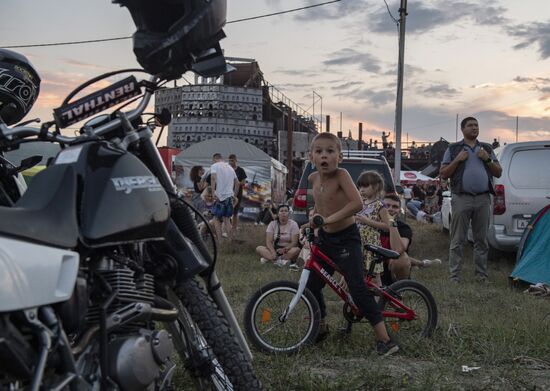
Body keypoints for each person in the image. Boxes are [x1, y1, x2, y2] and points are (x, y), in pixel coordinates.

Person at [305, 132, 398, 356]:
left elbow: (356, 204)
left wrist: (328, 219)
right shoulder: (313, 179)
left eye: (330, 151)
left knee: (357, 289)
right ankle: (321, 326)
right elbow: (320, 204)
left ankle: (385, 341)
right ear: (311, 157)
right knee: (312, 284)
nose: (324, 156)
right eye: (319, 151)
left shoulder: (342, 175)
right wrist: (314, 217)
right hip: (325, 239)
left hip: (347, 239)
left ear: (340, 156)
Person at [440, 116, 502, 283]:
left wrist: (486, 159)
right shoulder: (453, 149)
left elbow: (498, 172)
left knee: (481, 240)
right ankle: (454, 276)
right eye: (470, 125)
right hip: (461, 198)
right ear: (463, 129)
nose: (474, 128)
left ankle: (481, 276)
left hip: (482, 199)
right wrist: (458, 159)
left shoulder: (487, 148)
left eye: (476, 125)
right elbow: (444, 173)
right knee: (458, 239)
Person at [379, 194, 441, 286]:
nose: (390, 209)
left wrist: (391, 223)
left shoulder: (404, 228)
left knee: (401, 259)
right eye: (386, 206)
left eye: (395, 207)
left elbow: (398, 250)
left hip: (391, 272)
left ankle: (399, 290)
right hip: (372, 270)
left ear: (399, 211)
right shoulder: (369, 224)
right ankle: (422, 263)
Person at [355, 171, 387, 286]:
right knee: (359, 274)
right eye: (360, 186)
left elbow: (387, 226)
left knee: (374, 277)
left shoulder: (380, 205)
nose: (361, 189)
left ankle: (379, 301)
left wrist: (368, 221)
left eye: (365, 186)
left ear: (376, 186)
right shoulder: (360, 203)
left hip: (372, 245)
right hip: (359, 243)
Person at [255, 204, 300, 269]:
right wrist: (273, 252)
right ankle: (280, 261)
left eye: (286, 211)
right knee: (259, 248)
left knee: (297, 250)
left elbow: (294, 242)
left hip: (288, 249)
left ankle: (271, 259)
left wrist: (284, 249)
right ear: (278, 214)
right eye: (281, 211)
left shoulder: (293, 224)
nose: (284, 212)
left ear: (289, 213)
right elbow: (269, 242)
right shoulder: (272, 224)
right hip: (275, 249)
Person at [210, 153, 238, 240]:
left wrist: (212, 192)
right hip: (229, 197)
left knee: (216, 219)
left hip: (220, 197)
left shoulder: (214, 165)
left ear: (215, 159)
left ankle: (220, 242)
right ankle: (230, 242)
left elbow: (213, 178)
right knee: (227, 220)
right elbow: (237, 182)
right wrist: (234, 194)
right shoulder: (230, 168)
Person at [228, 154, 247, 232]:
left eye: (232, 160)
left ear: (236, 161)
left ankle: (234, 227)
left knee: (235, 211)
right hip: (228, 193)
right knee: (227, 210)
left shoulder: (240, 170)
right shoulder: (228, 170)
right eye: (229, 161)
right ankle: (228, 227)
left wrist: (237, 183)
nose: (230, 162)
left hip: (238, 193)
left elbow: (244, 181)